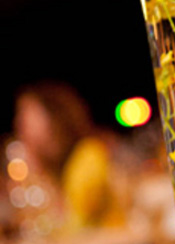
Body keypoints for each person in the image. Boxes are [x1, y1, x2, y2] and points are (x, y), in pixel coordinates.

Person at [12, 82, 125, 232]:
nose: (20, 125)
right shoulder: (57, 169)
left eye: (27, 115)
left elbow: (76, 229)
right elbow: (44, 229)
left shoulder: (88, 156)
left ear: (54, 117)